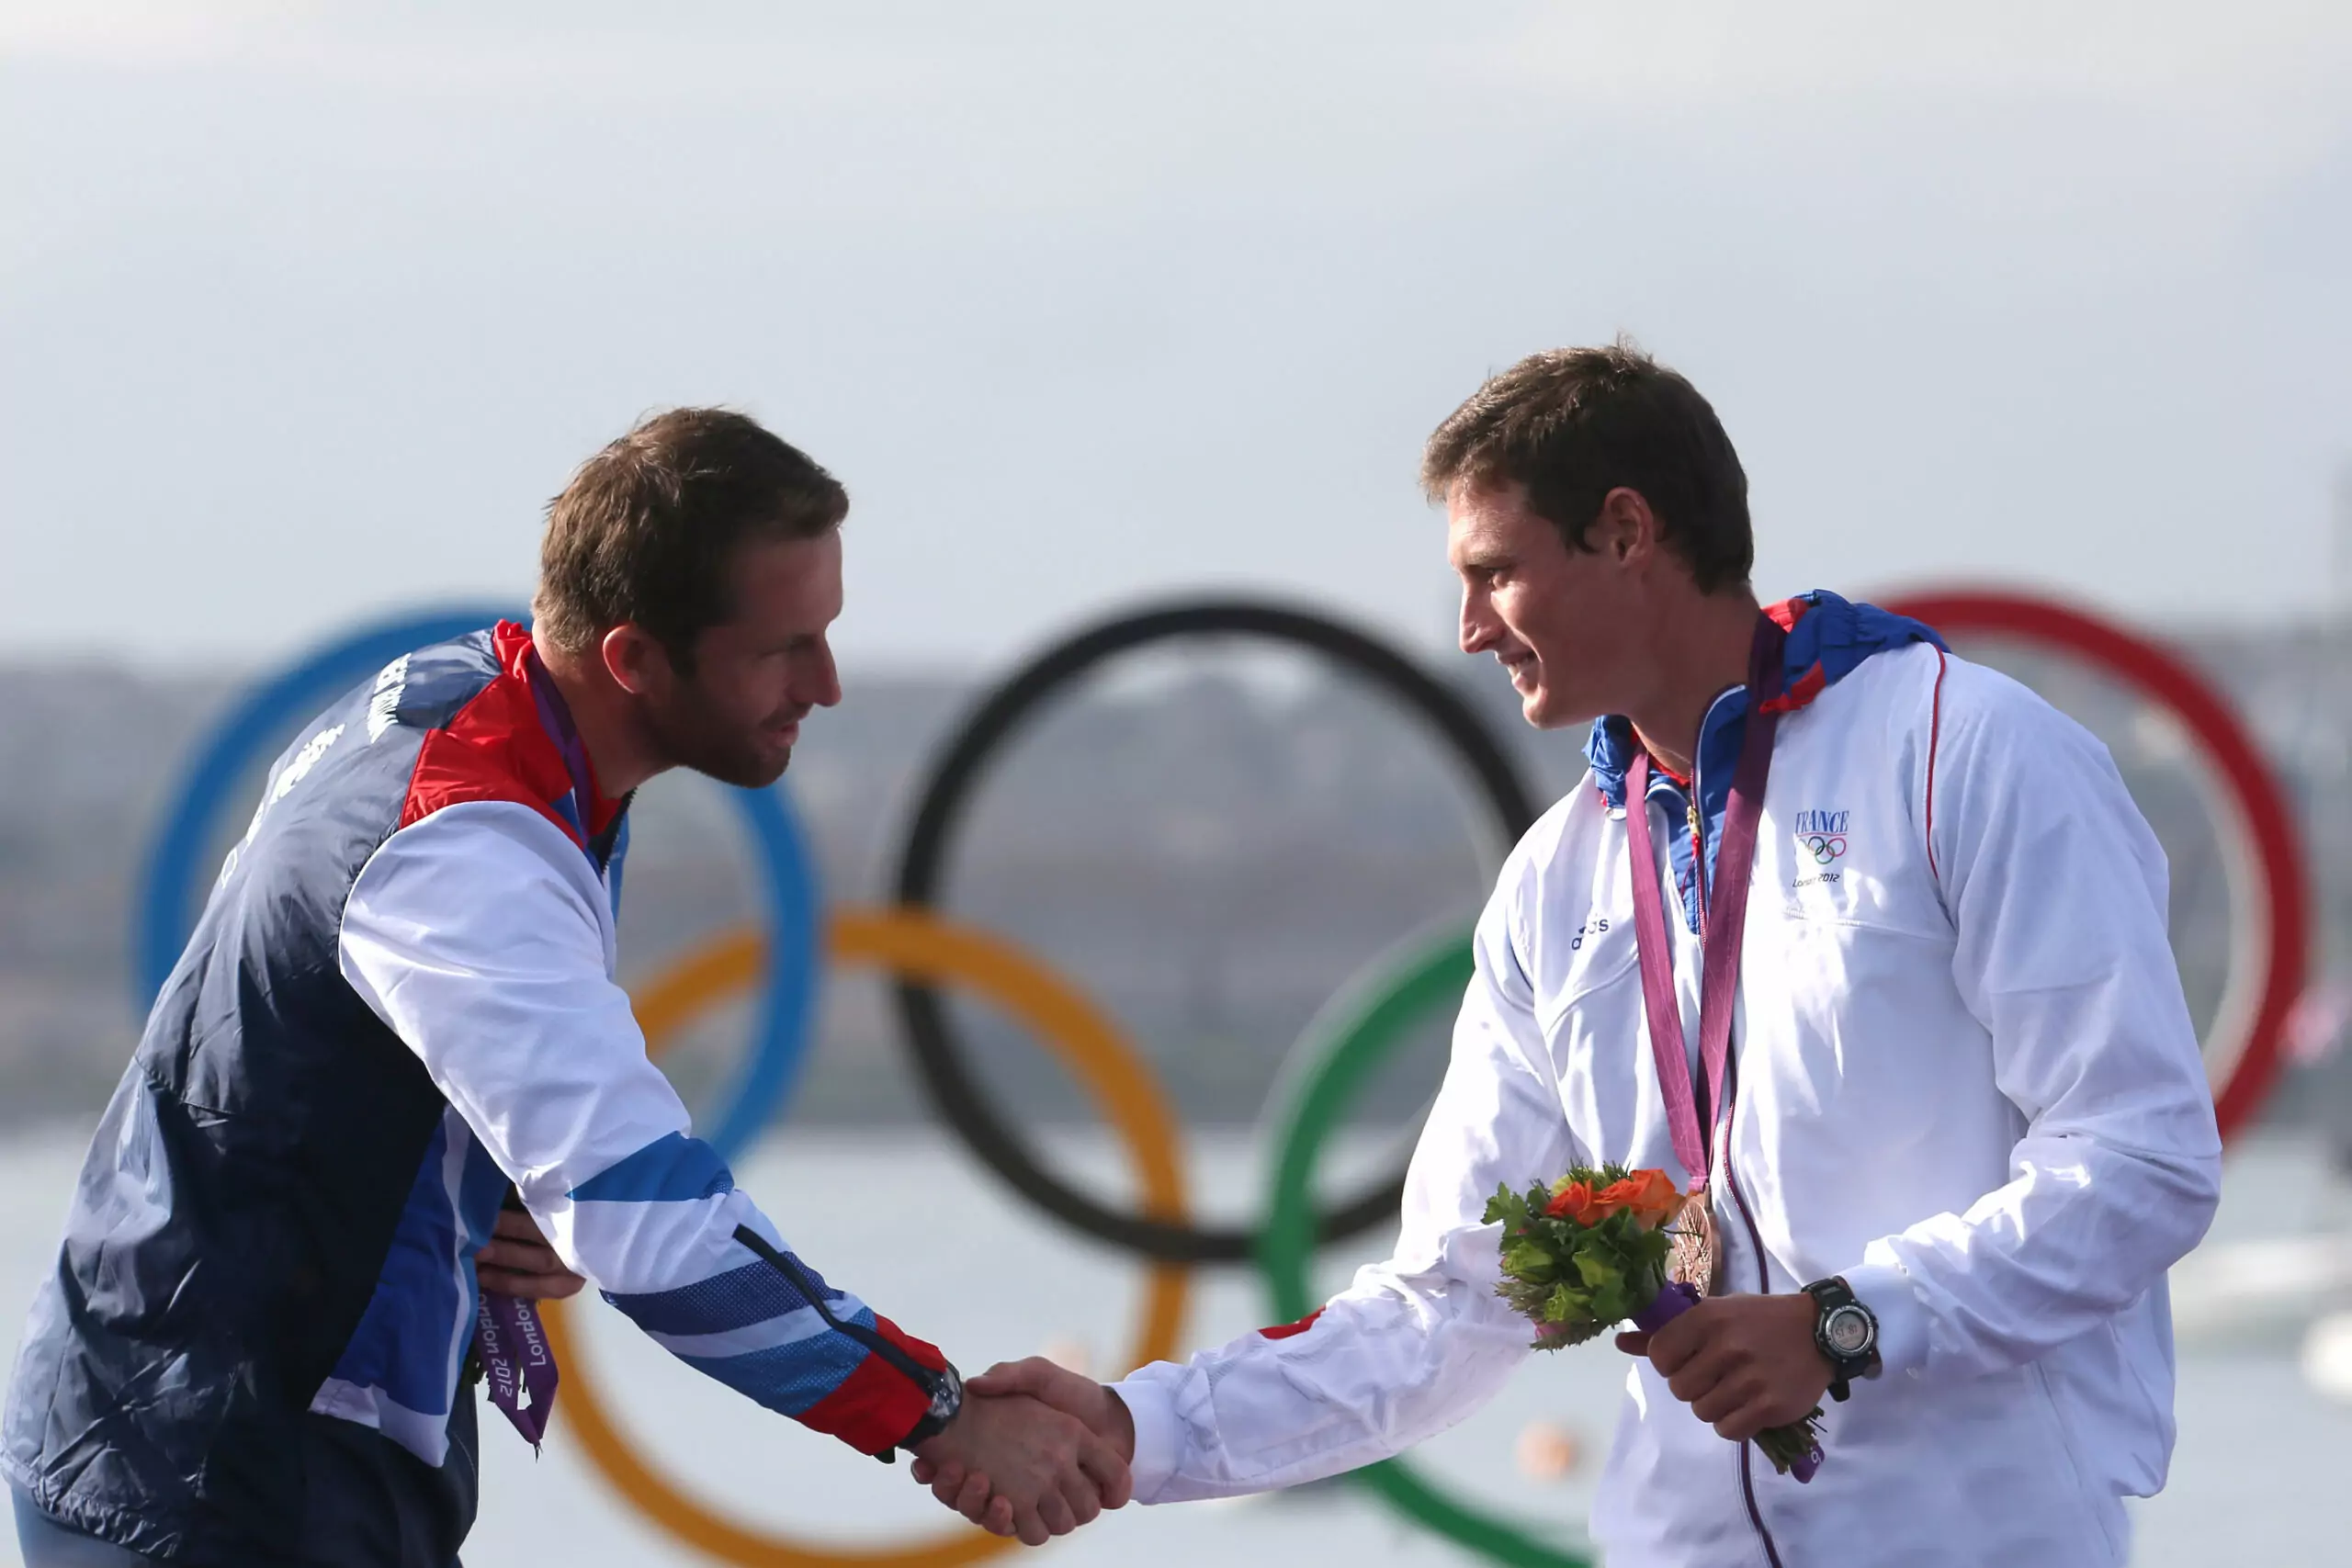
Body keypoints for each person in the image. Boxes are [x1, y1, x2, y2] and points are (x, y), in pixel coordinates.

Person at [921, 343, 2225, 1566]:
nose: (1468, 628)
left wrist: (1847, 1322)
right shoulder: (1557, 874)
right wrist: (1140, 1426)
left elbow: (2141, 1161)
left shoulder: (1967, 750)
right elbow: (1452, 1300)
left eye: (1493, 572)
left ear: (1626, 531)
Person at [4, 409, 1125, 1566]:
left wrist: (495, 1192)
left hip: (215, 1432)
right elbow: (651, 1224)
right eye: (781, 649)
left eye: (826, 634)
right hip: (221, 1476)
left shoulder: (480, 704)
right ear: (633, 659)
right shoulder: (467, 847)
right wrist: (939, 1411)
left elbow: (347, 1053)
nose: (827, 684)